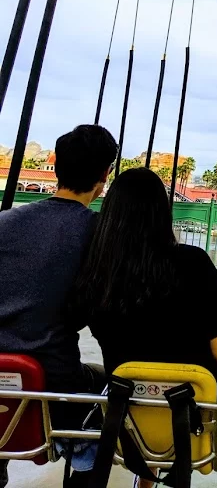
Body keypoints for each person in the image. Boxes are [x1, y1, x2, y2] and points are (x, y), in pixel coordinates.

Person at [70, 168, 217, 488]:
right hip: (196, 414)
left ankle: (144, 480)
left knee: (141, 387)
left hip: (126, 414)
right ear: (162, 212)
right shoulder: (193, 263)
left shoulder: (96, 271)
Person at [0, 124, 117, 487]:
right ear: (104, 176)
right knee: (105, 394)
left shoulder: (5, 221)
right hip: (51, 376)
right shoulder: (99, 233)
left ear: (55, 167)